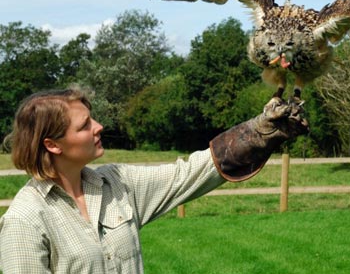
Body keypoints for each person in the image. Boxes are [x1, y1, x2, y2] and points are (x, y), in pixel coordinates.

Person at [0, 88, 308, 273]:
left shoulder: (118, 183)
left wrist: (259, 132)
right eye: (84, 126)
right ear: (53, 145)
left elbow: (189, 173)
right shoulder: (26, 220)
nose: (99, 126)